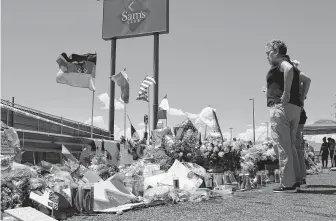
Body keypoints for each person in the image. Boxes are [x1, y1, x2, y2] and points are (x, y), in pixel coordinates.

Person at [265, 39, 302, 193]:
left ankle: (288, 184)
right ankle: (297, 179)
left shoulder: (282, 64)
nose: (267, 56)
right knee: (291, 146)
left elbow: (288, 69)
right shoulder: (292, 64)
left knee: (282, 147)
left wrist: (286, 92)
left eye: (268, 53)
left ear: (275, 52)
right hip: (294, 108)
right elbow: (306, 80)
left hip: (281, 108)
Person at [291, 60, 311, 186]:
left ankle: (298, 177)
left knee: (294, 146)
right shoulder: (297, 82)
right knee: (297, 146)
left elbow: (308, 79)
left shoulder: (294, 75)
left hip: (296, 113)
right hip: (300, 113)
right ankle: (301, 176)